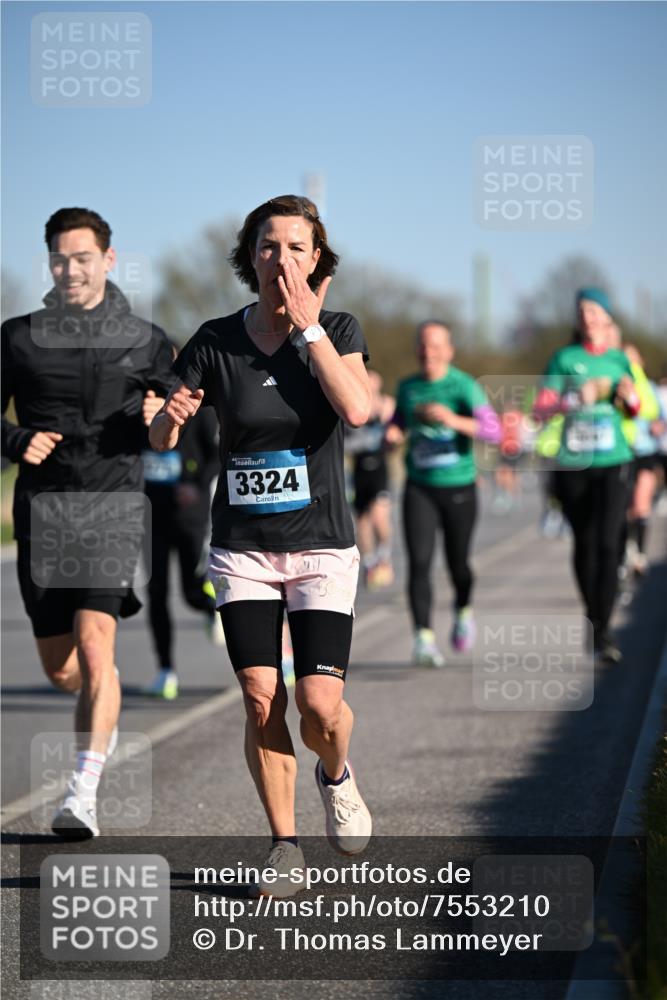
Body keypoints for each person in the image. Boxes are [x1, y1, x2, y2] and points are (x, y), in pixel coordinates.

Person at [149, 195, 372, 893]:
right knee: (256, 693)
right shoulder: (215, 340)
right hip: (242, 545)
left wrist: (310, 334)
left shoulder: (338, 327)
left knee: (318, 704)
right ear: (251, 257)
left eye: (296, 247)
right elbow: (158, 429)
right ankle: (284, 844)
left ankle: (335, 773)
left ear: (317, 260)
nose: (281, 258)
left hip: (321, 546)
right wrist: (172, 418)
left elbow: (357, 409)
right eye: (268, 245)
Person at [1, 207, 174, 836]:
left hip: (114, 509)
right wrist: (16, 438)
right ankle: (98, 686)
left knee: (97, 649)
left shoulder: (146, 340)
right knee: (63, 668)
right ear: (49, 261)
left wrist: (165, 415)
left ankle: (82, 791)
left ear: (108, 259)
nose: (70, 268)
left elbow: (167, 431)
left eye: (82, 257)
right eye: (59, 257)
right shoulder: (17, 337)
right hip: (43, 514)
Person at [386, 322, 501, 667]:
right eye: (423, 345)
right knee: (419, 563)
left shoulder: (463, 386)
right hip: (419, 486)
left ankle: (463, 609)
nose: (428, 352)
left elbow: (492, 430)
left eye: (436, 346)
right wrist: (392, 434)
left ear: (449, 351)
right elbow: (397, 424)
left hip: (459, 487)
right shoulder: (408, 387)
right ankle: (423, 637)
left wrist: (453, 420)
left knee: (458, 564)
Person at [534, 288, 639, 663]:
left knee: (609, 543)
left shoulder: (618, 360)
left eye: (594, 311)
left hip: (614, 462)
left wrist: (628, 399)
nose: (587, 317)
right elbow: (541, 409)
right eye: (582, 311)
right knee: (585, 543)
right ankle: (593, 618)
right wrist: (577, 397)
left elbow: (635, 411)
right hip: (574, 463)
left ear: (607, 318)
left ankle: (604, 629)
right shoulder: (564, 358)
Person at [142, 379, 222, 700]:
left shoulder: (196, 408)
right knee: (156, 590)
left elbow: (216, 456)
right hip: (151, 514)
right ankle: (165, 670)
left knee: (191, 590)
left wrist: (196, 484)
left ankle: (212, 608)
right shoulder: (138, 408)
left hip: (189, 512)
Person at [345, 370, 395, 589]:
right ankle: (370, 562)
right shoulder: (351, 404)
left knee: (379, 516)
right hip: (359, 466)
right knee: (363, 519)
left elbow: (394, 434)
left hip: (379, 466)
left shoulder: (386, 404)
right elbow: (344, 442)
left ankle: (384, 556)